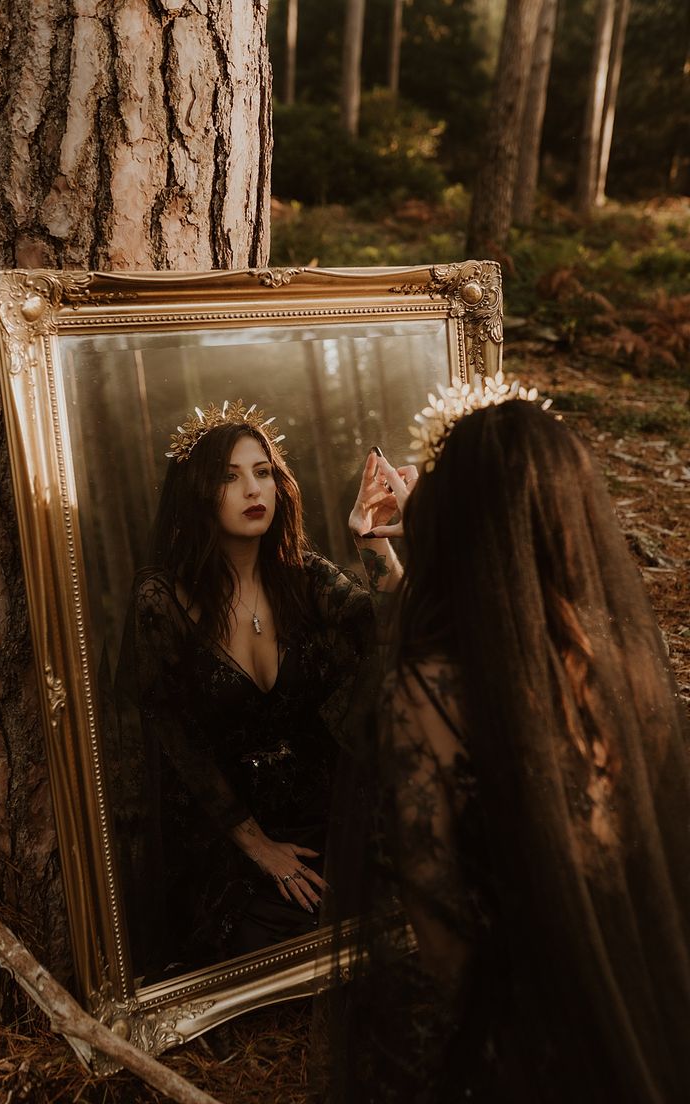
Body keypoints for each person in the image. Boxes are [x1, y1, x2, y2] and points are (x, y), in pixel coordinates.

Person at [332, 376, 690, 1103]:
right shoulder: (626, 670)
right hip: (653, 996)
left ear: (452, 524)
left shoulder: (425, 699)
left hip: (524, 1041)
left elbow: (442, 939)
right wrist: (379, 549)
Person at [113, 400, 401, 981]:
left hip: (328, 808)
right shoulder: (161, 601)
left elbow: (392, 625)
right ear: (198, 493)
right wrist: (256, 845)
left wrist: (369, 539)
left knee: (391, 906)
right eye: (230, 475)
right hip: (232, 830)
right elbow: (171, 739)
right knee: (262, 936)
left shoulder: (305, 576)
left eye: (263, 471)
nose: (253, 488)